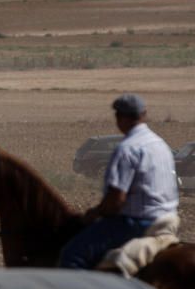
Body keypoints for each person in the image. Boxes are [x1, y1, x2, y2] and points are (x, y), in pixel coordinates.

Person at [60, 94, 178, 270]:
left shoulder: (127, 149)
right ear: (144, 114)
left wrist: (93, 214)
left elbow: (116, 201)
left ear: (119, 118)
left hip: (138, 222)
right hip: (169, 219)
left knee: (72, 256)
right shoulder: (160, 144)